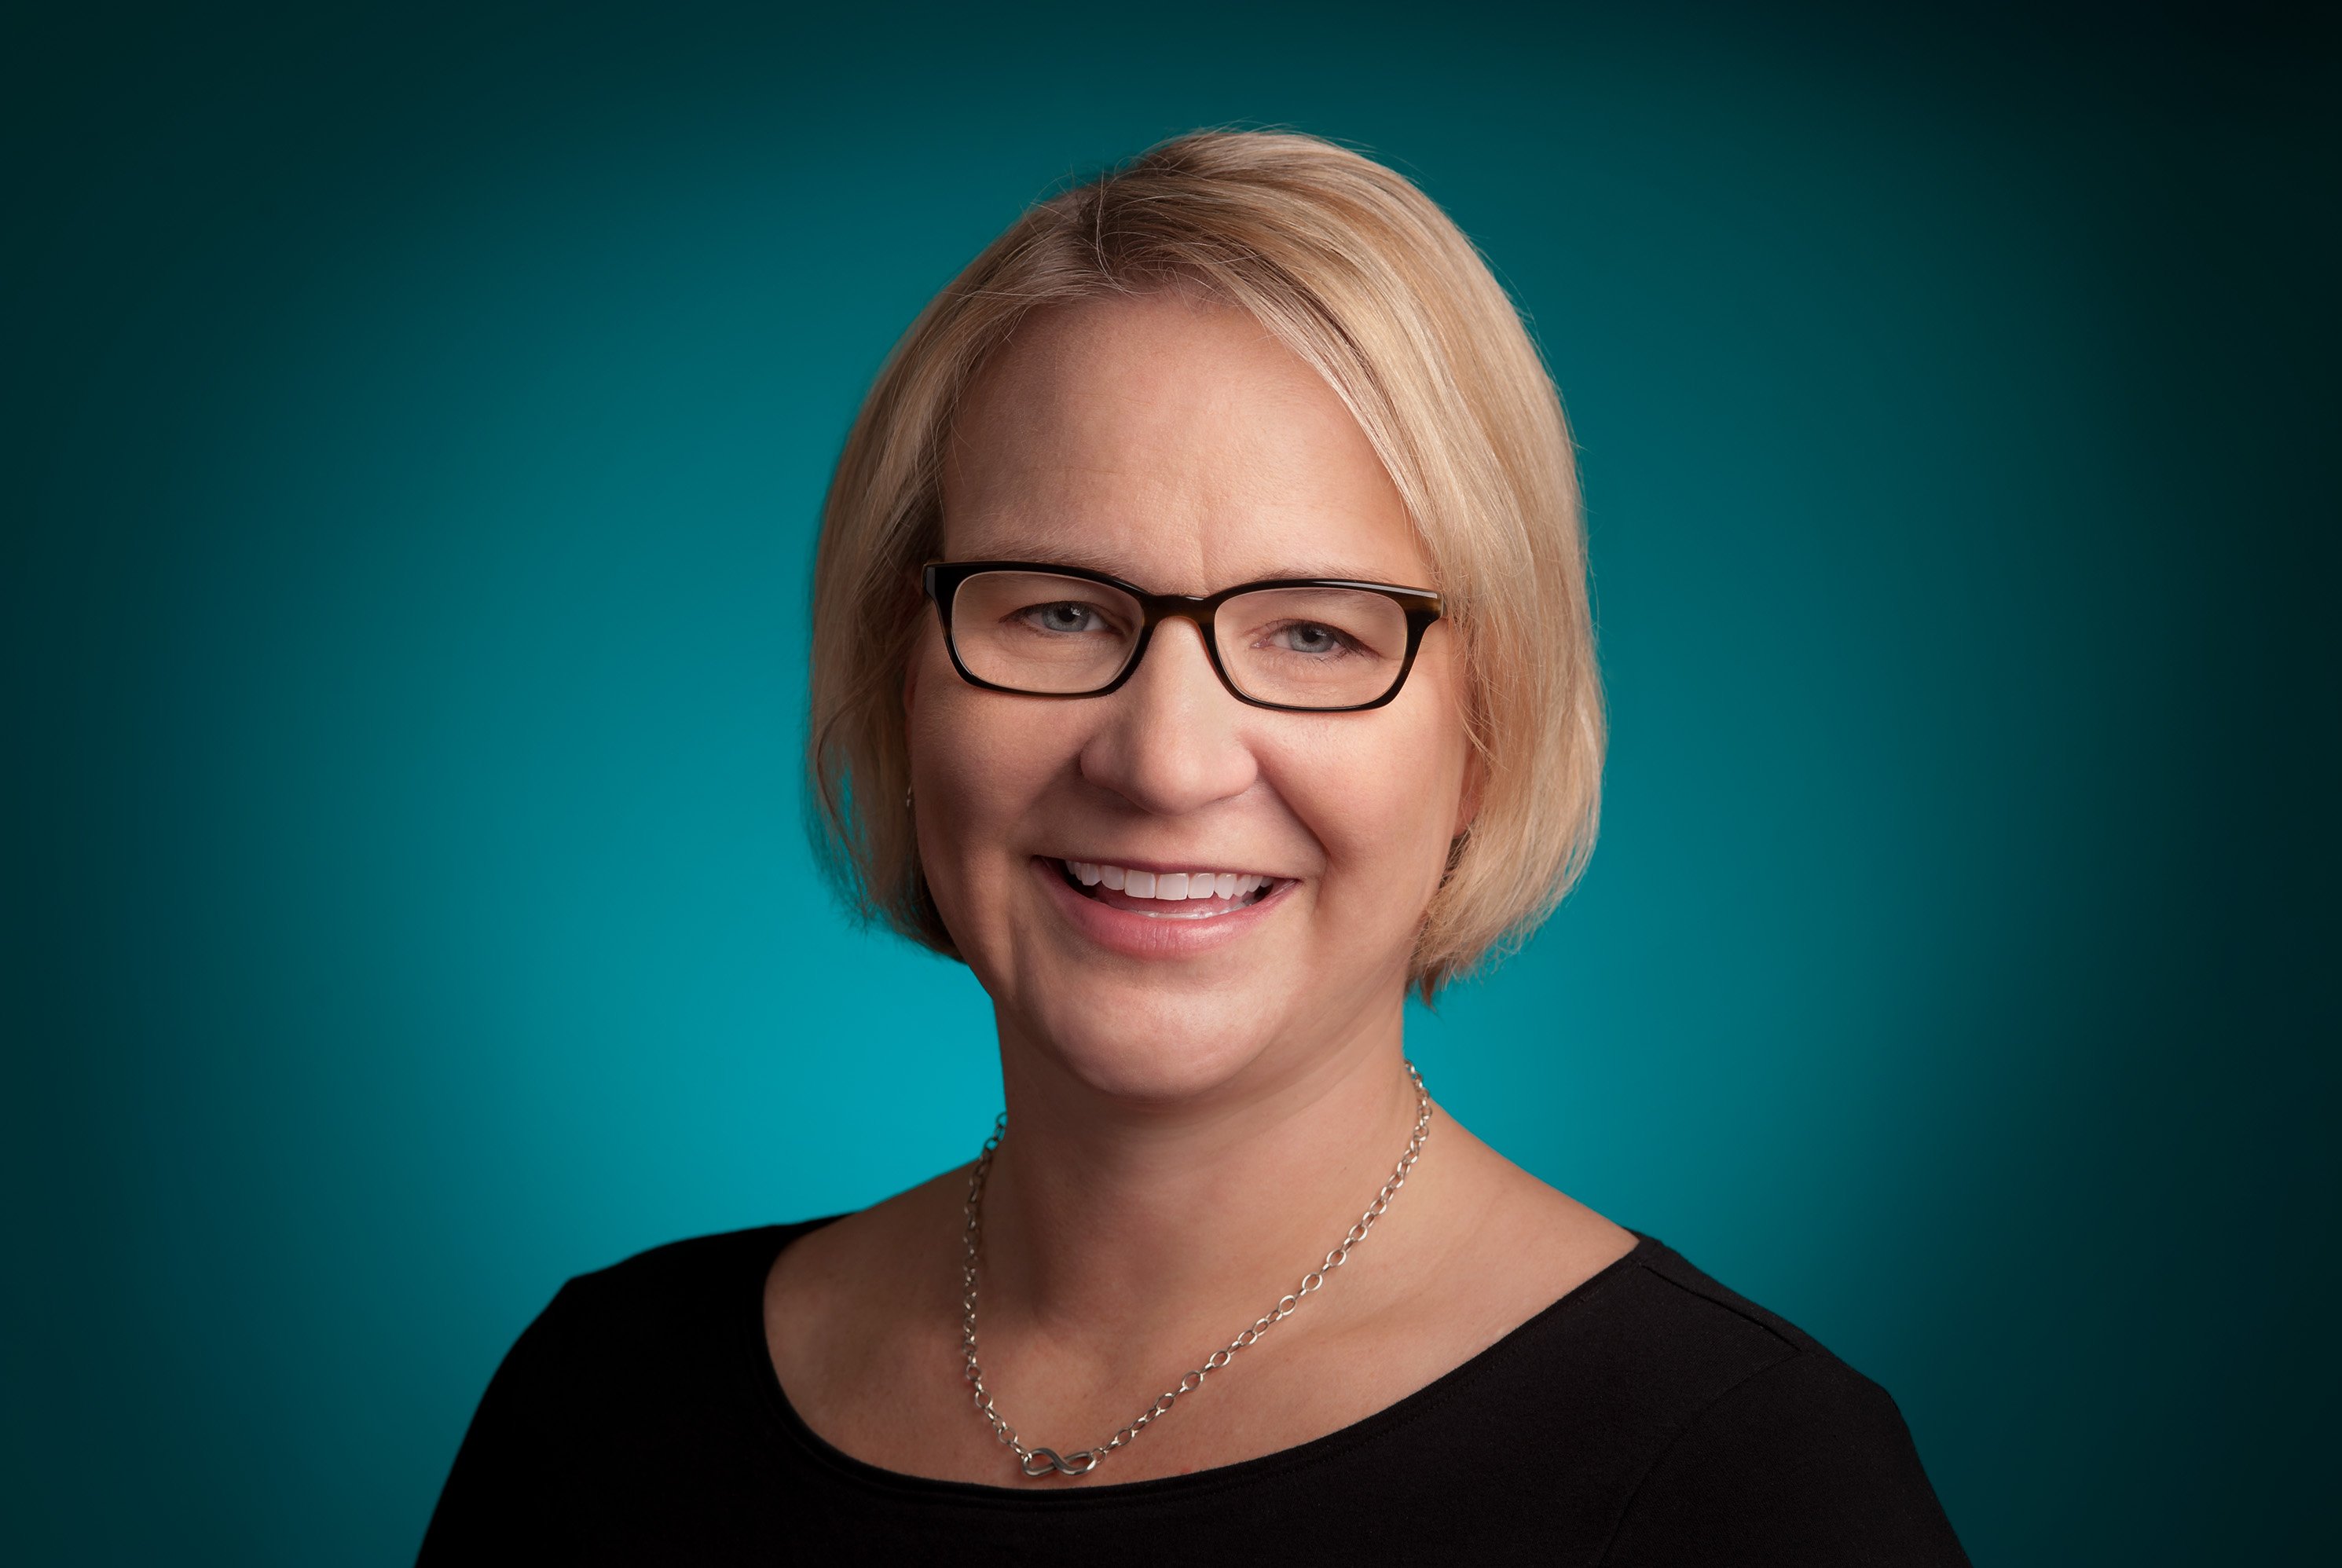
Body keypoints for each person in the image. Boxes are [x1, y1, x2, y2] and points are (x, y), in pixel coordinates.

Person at [420, 130, 1969, 1564]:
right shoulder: (602, 1400)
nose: (1164, 759)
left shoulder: (1746, 1481)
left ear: (1483, 737)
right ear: (907, 679)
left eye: (1312, 629)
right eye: (1060, 608)